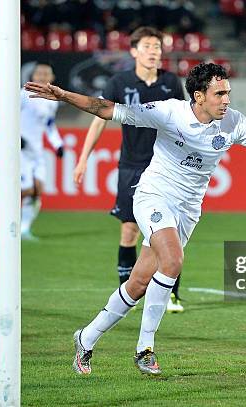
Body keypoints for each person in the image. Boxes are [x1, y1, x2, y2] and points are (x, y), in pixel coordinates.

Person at [25, 62, 246, 376]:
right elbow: (105, 108)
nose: (227, 99)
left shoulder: (234, 123)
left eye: (228, 93)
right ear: (199, 96)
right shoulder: (168, 113)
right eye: (219, 93)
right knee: (173, 260)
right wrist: (61, 95)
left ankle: (86, 337)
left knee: (138, 283)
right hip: (153, 196)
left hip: (188, 209)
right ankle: (145, 349)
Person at [73, 26, 187, 312]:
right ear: (134, 51)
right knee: (129, 230)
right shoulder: (119, 82)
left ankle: (172, 295)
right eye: (147, 46)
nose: (153, 51)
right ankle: (127, 292)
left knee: (167, 232)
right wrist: (84, 157)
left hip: (165, 168)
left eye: (157, 47)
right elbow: (99, 118)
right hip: (132, 165)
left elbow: (183, 122)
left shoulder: (171, 81)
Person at [20, 63, 64, 241]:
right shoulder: (23, 95)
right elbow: (6, 117)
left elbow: (49, 125)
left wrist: (58, 144)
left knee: (38, 190)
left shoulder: (52, 101)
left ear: (52, 78)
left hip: (36, 150)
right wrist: (15, 137)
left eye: (46, 73)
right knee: (28, 188)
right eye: (39, 73)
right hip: (20, 148)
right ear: (33, 76)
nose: (43, 76)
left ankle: (24, 230)